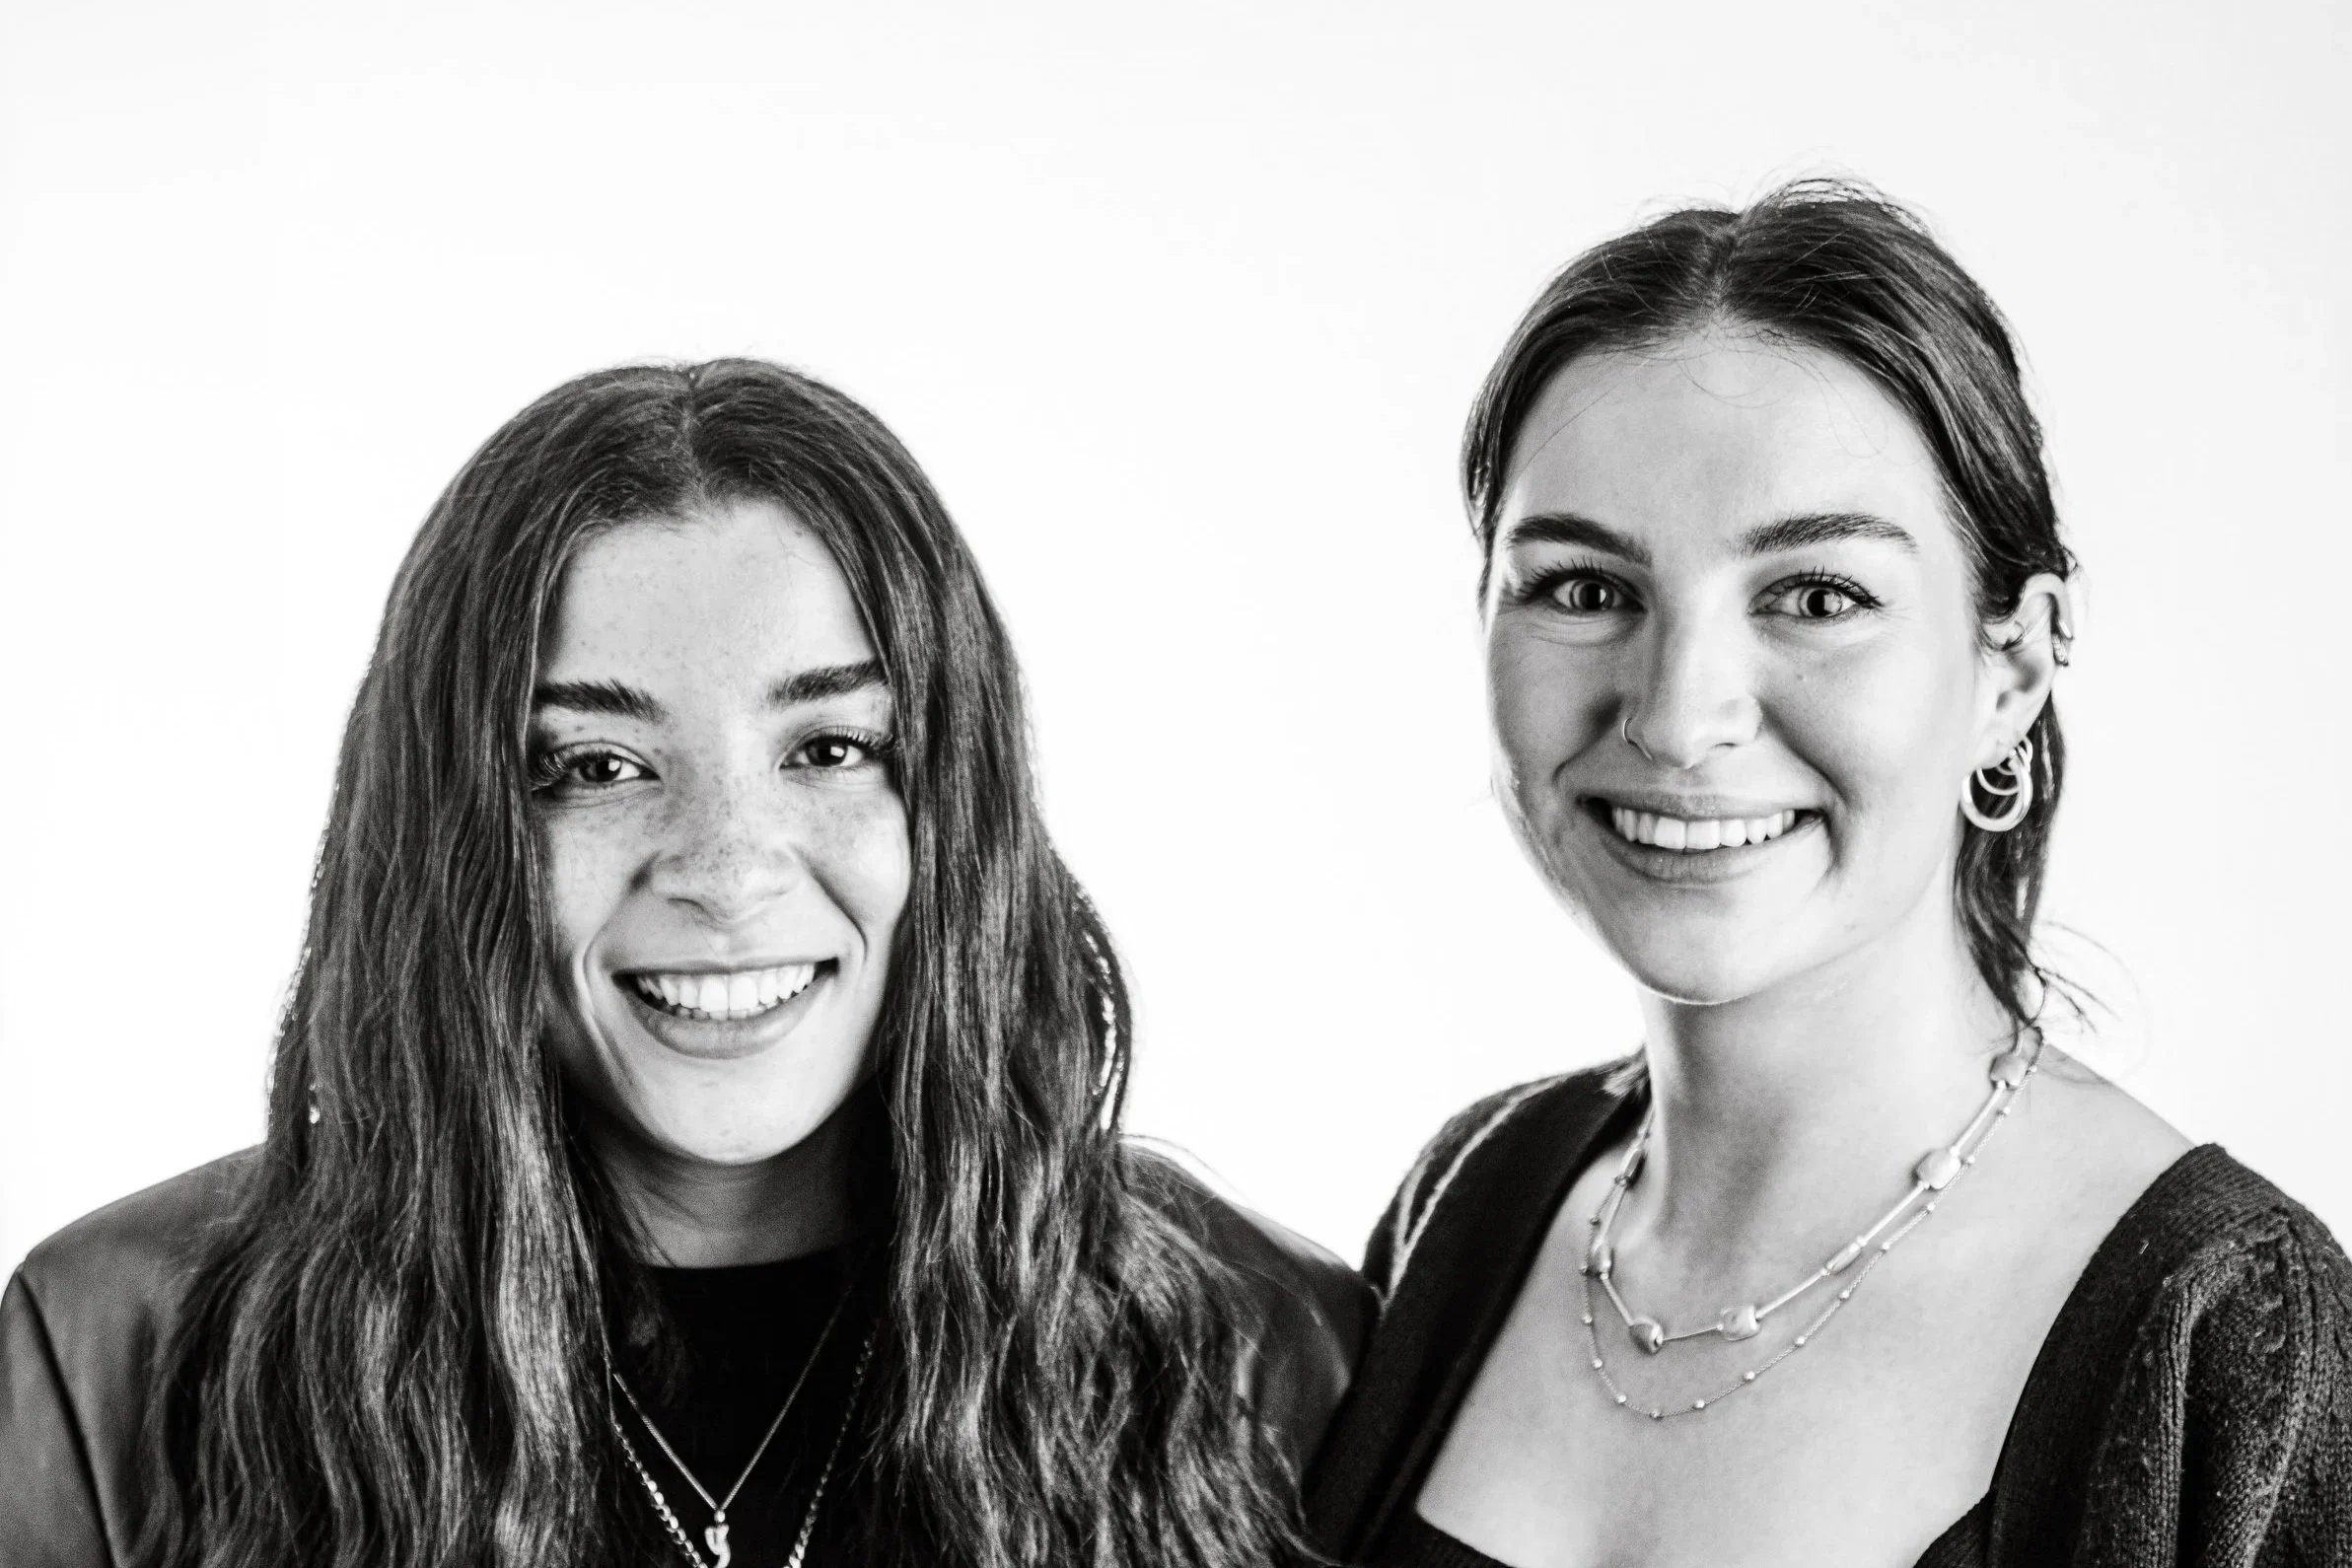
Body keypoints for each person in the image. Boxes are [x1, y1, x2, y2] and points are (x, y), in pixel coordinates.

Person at [0, 360, 1368, 1568]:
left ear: (957, 805)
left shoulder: (1267, 1347)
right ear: (450, 835)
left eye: (828, 749)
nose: (725, 866)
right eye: (597, 766)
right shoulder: (112, 1351)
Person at [1303, 182, 2351, 1567]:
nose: (1678, 716)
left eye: (1816, 596)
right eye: (1582, 587)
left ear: (2014, 669)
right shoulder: (1475, 1195)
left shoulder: (2230, 1336)